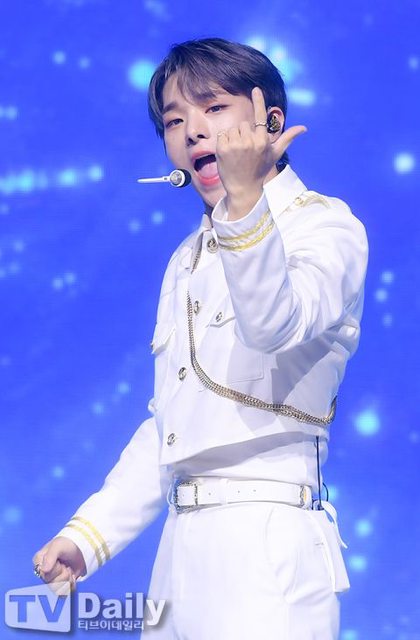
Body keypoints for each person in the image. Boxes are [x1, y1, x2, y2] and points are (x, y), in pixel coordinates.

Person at [33, 38, 368, 639]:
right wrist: (89, 534)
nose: (192, 131)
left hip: (267, 544)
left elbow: (274, 325)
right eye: (174, 120)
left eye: (214, 108)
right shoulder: (187, 259)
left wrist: (245, 202)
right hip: (179, 553)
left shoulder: (325, 225)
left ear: (270, 120)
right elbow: (172, 422)